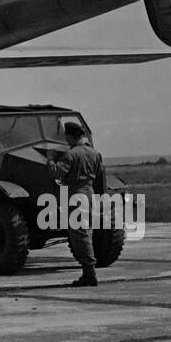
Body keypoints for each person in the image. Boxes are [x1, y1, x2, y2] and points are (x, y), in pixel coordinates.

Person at [49, 121, 103, 287]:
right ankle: (89, 271)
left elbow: (57, 173)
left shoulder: (71, 154)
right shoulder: (94, 153)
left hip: (76, 195)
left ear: (71, 136)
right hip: (89, 194)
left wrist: (50, 161)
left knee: (79, 235)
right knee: (87, 232)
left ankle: (89, 273)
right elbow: (100, 176)